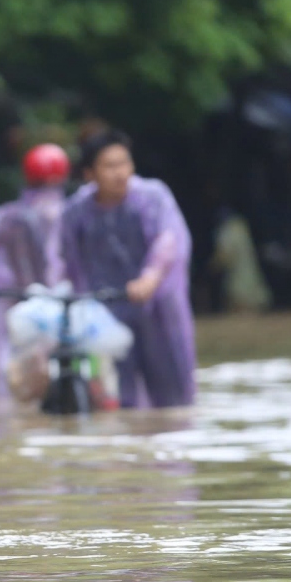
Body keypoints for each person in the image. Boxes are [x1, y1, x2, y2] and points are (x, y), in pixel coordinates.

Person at [60, 130, 195, 408]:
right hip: (107, 314)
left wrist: (150, 278)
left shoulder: (153, 196)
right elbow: (67, 262)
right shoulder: (75, 212)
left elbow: (169, 240)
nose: (120, 173)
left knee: (175, 400)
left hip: (159, 308)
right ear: (89, 173)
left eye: (124, 163)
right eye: (109, 166)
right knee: (119, 400)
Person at [0, 143, 69, 389]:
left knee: (5, 361)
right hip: (51, 294)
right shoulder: (68, 211)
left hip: (6, 296)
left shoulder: (5, 214)